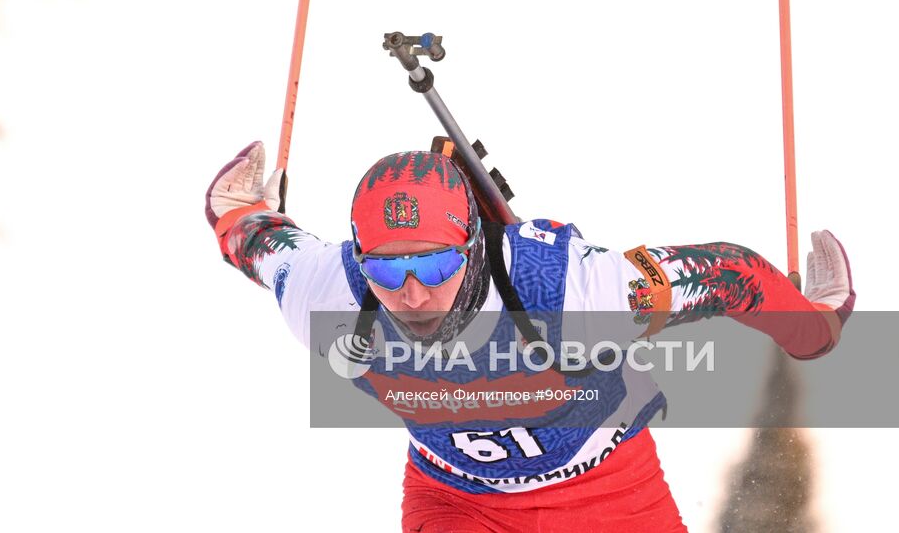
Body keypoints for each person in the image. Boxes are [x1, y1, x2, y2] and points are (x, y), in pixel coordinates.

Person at [206, 141, 855, 532]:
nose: (411, 292)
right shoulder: (331, 294)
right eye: (386, 268)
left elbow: (725, 272)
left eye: (434, 264)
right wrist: (236, 207)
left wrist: (812, 327)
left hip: (607, 492)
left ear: (471, 245)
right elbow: (256, 240)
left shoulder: (569, 290)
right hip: (458, 496)